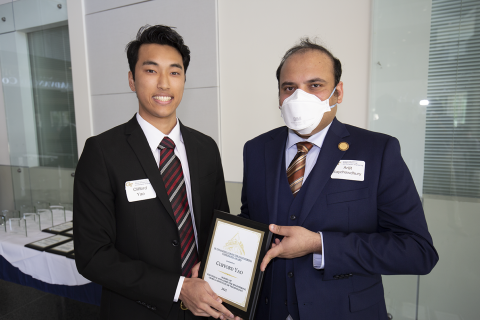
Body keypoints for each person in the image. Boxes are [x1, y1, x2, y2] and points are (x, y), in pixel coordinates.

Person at [239, 38, 439, 320]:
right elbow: (251, 222)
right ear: (280, 95)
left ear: (338, 92)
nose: (299, 97)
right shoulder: (257, 149)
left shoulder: (378, 151)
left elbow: (417, 251)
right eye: (289, 87)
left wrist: (320, 244)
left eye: (315, 85)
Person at [74, 25, 236, 320]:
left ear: (184, 80)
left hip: (205, 307)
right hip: (136, 311)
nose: (164, 84)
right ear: (132, 80)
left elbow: (219, 226)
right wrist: (178, 287)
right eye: (151, 71)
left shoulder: (205, 148)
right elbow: (92, 256)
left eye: (174, 72)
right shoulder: (102, 152)